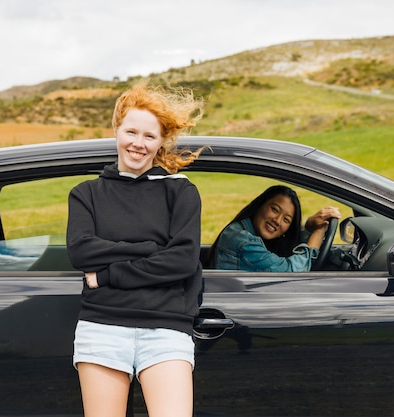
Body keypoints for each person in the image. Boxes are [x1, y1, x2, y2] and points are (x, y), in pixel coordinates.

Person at [66, 82, 205, 417]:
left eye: (149, 136)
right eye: (131, 132)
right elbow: (81, 252)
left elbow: (183, 261)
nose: (138, 144)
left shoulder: (180, 193)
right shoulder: (86, 194)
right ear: (116, 129)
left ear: (161, 142)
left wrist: (110, 273)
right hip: (103, 328)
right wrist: (150, 248)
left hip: (166, 330)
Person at [207, 185, 341, 272]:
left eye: (286, 220)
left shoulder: (245, 232)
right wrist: (319, 231)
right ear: (260, 205)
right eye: (274, 209)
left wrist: (308, 227)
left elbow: (291, 240)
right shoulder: (243, 241)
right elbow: (291, 273)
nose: (277, 221)